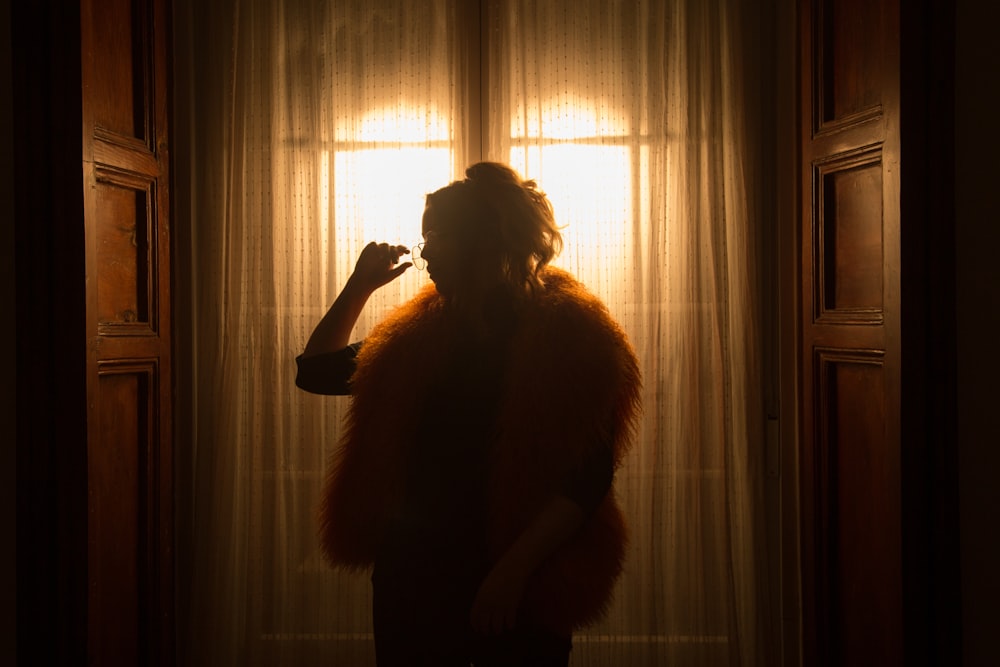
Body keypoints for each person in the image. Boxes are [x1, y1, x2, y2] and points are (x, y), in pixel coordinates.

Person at [296, 162, 641, 666]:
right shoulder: (418, 337)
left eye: (435, 236)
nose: (425, 251)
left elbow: (585, 479)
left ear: (482, 242)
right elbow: (317, 372)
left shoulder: (571, 336)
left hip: (525, 577)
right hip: (414, 579)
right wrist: (360, 285)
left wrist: (511, 574)